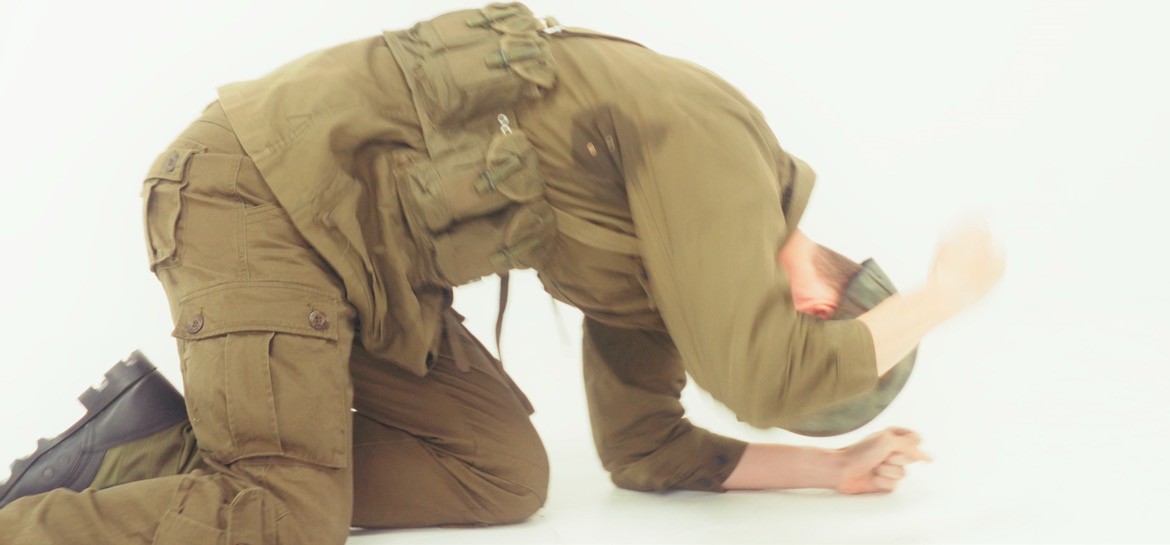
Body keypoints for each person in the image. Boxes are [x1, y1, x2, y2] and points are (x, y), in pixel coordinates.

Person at [0, 3, 1004, 544]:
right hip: (257, 198)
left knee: (502, 476)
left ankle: (184, 445)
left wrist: (827, 468)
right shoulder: (719, 148)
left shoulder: (672, 271)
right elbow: (763, 378)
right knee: (284, 513)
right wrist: (942, 295)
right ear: (819, 302)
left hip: (360, 275)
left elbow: (644, 447)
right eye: (811, 346)